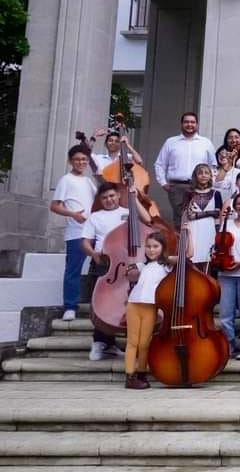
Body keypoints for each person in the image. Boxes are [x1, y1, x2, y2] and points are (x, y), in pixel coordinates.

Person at [80, 182, 153, 360]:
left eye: (112, 196)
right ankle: (100, 342)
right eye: (104, 197)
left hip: (130, 263)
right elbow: (85, 242)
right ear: (100, 200)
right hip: (105, 263)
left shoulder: (128, 213)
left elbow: (148, 220)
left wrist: (134, 198)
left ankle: (122, 344)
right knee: (102, 303)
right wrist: (93, 253)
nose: (109, 200)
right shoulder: (95, 217)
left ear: (118, 196)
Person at [50, 145, 99, 321]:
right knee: (73, 271)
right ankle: (70, 307)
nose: (81, 162)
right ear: (70, 161)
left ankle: (100, 305)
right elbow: (54, 206)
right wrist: (73, 214)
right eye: (77, 159)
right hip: (76, 232)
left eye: (84, 159)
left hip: (94, 232)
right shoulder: (66, 180)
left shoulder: (88, 181)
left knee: (100, 269)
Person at [122, 231, 173, 389]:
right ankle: (130, 376)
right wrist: (131, 271)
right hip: (134, 304)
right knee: (132, 342)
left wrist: (188, 234)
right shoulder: (142, 265)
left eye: (156, 246)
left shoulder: (166, 265)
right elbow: (130, 274)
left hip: (150, 306)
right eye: (148, 246)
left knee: (144, 343)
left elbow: (186, 257)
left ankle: (141, 373)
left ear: (163, 247)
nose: (151, 250)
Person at [153, 112, 217, 229]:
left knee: (199, 217)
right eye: (186, 122)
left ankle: (196, 240)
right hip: (177, 187)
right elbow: (159, 164)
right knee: (180, 219)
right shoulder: (171, 142)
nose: (189, 124)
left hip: (200, 186)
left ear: (197, 124)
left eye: (192, 122)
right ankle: (181, 240)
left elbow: (213, 165)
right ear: (182, 124)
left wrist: (210, 183)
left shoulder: (206, 143)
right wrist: (163, 182)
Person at [217, 193, 240, 360]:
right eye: (239, 203)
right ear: (234, 206)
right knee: (225, 314)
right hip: (226, 274)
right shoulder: (227, 224)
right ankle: (229, 345)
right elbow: (219, 245)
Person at [185, 163, 224, 265]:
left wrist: (197, 215)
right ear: (195, 176)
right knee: (193, 256)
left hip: (210, 227)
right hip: (193, 228)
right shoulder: (189, 193)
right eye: (200, 173)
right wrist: (210, 213)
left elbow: (217, 213)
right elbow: (189, 215)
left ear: (211, 176)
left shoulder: (216, 193)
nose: (203, 175)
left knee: (209, 257)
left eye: (206, 173)